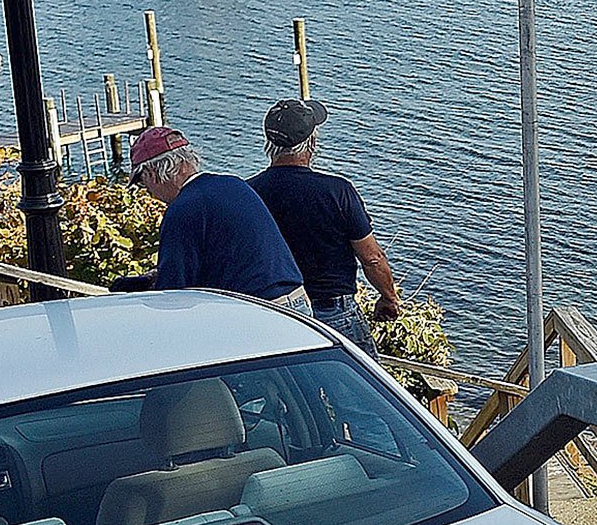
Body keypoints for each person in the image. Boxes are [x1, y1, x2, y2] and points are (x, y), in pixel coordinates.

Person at [247, 98, 402, 352]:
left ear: (269, 143)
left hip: (277, 311)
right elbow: (372, 258)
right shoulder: (337, 191)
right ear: (312, 142)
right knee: (363, 387)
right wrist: (388, 297)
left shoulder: (249, 192)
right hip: (333, 311)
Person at [128, 126, 308, 311]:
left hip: (259, 311)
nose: (147, 192)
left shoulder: (182, 209)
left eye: (142, 182)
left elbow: (173, 292)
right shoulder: (234, 184)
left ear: (152, 173)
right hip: (297, 302)